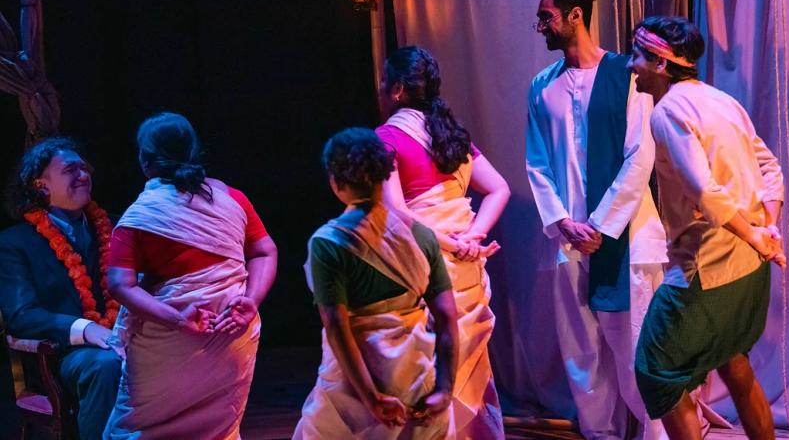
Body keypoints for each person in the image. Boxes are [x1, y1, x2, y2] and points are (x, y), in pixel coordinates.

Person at [626, 16, 785, 440]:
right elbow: (771, 167)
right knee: (732, 359)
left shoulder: (667, 111)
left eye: (638, 55)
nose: (630, 65)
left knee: (656, 370)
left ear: (661, 63)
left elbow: (704, 190)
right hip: (751, 268)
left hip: (708, 270)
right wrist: (766, 229)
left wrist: (756, 234)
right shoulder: (722, 100)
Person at [525, 0, 668, 439]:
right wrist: (564, 222)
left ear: (576, 16)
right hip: (570, 240)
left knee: (634, 347)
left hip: (623, 236)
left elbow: (640, 156)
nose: (540, 25)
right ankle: (600, 434)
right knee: (581, 347)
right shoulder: (541, 87)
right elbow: (537, 162)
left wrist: (602, 226)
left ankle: (655, 435)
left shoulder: (626, 74)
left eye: (547, 16)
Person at [103, 112, 278, 439]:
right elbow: (265, 251)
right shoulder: (232, 199)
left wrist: (178, 318)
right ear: (194, 152)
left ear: (145, 162)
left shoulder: (140, 216)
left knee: (139, 429)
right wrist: (251, 301)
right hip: (232, 334)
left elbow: (119, 284)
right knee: (218, 430)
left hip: (169, 344)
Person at [377, 46, 510, 439]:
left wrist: (454, 244)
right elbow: (498, 189)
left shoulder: (385, 137)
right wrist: (472, 236)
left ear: (398, 88)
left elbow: (397, 212)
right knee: (464, 364)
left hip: (425, 263)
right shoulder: (451, 135)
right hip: (465, 266)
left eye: (387, 82)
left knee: (428, 365)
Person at [294, 128, 459, 440]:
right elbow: (448, 315)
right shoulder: (421, 236)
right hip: (415, 375)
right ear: (386, 173)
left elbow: (337, 326)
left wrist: (371, 398)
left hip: (353, 386)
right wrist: (445, 387)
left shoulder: (330, 244)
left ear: (335, 180)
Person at [0, 137, 122, 440]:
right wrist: (85, 329)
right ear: (41, 185)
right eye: (71, 170)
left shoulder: (115, 230)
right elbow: (21, 314)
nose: (84, 175)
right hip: (61, 356)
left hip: (123, 339)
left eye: (85, 168)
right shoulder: (15, 243)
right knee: (106, 365)